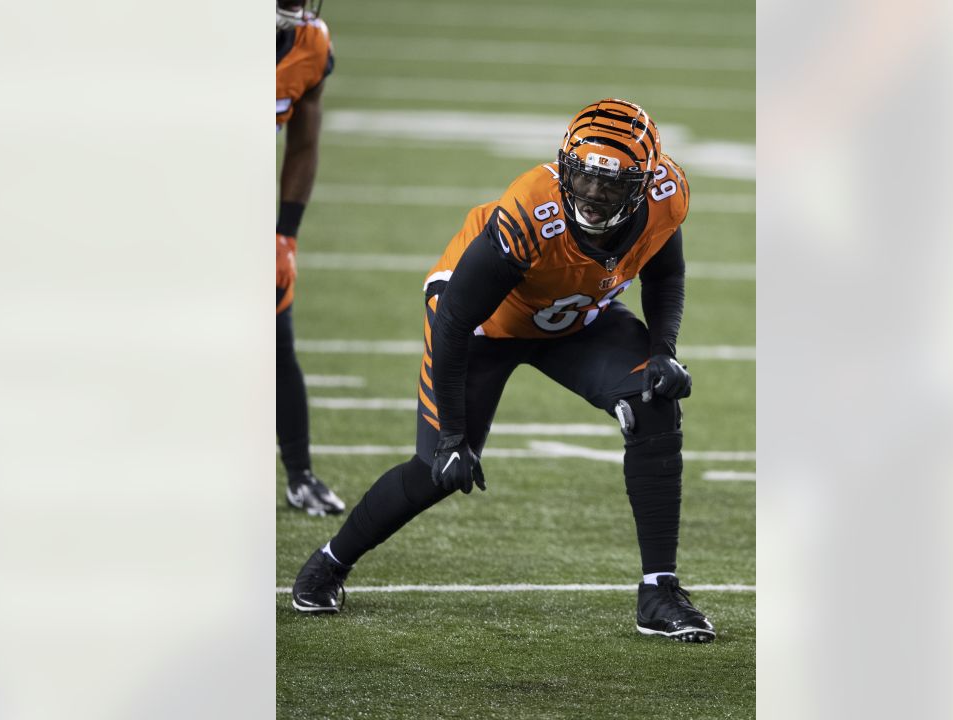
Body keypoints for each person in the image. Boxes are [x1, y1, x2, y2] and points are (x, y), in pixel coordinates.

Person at [290, 98, 715, 642]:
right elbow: (454, 319)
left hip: (576, 316)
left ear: (643, 183)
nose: (590, 193)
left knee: (655, 398)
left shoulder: (664, 195)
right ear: (563, 165)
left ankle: (658, 592)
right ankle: (329, 561)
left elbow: (664, 273)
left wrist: (664, 351)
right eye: (581, 176)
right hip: (483, 325)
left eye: (609, 184)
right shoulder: (529, 210)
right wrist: (451, 437)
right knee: (434, 472)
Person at [276, 0, 344, 515]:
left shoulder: (311, 44)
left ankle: (300, 476)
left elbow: (302, 147)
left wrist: (285, 236)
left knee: (277, 340)